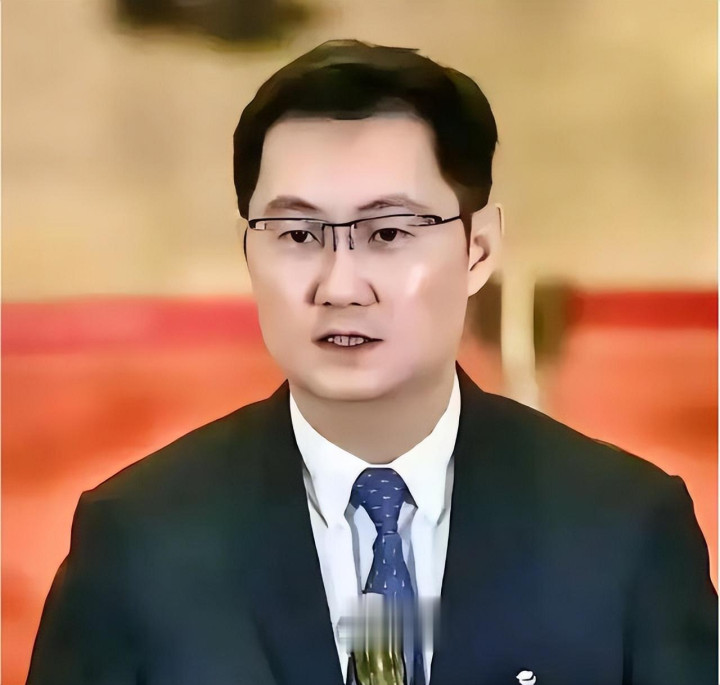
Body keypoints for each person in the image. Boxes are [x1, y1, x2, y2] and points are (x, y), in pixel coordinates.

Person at [26, 39, 717, 685]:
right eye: (297, 234)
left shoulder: (625, 528)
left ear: (477, 250)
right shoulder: (138, 542)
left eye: (387, 232)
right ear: (248, 252)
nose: (340, 286)